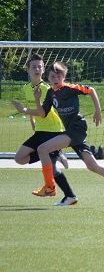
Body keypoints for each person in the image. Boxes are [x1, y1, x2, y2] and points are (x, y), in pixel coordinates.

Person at [11, 61, 104, 200]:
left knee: (42, 149)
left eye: (58, 76)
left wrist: (98, 111)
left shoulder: (69, 88)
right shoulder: (50, 93)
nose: (55, 79)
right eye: (52, 76)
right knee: (92, 165)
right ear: (48, 78)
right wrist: (37, 100)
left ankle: (50, 187)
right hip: (71, 130)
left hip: (77, 128)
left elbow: (91, 90)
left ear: (63, 77)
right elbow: (43, 113)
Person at [11, 53, 78, 206]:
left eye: (39, 67)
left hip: (53, 130)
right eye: (33, 67)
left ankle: (70, 195)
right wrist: (32, 120)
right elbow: (34, 107)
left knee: (52, 168)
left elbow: (44, 112)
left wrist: (23, 110)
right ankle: (56, 154)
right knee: (19, 158)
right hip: (40, 131)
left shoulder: (46, 88)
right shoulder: (26, 88)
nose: (37, 69)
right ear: (28, 70)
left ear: (43, 70)